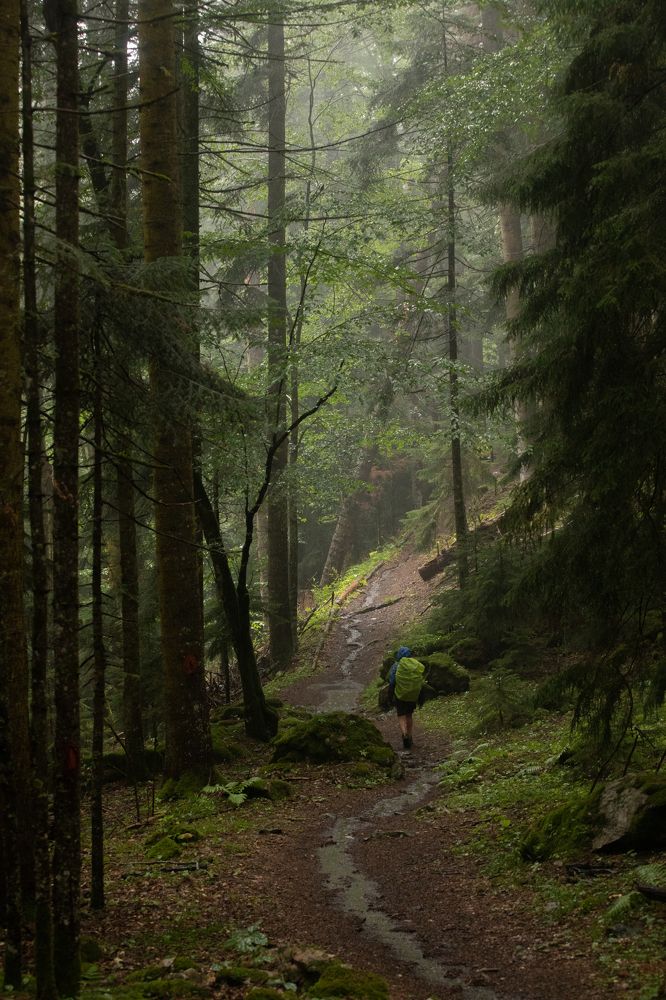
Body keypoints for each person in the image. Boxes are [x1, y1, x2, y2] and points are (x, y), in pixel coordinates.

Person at [387, 646, 425, 750]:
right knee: (409, 715)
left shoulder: (396, 666)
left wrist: (389, 697)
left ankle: (404, 734)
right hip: (412, 695)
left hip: (400, 695)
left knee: (401, 715)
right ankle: (410, 736)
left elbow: (392, 682)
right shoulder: (415, 665)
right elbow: (420, 681)